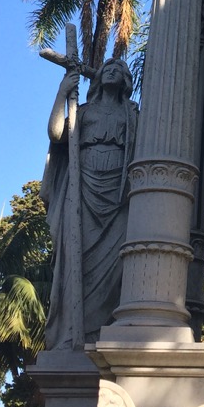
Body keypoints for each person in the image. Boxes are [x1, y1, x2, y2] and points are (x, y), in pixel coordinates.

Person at [41, 57, 138, 349]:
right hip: (82, 188)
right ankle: (70, 333)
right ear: (97, 79)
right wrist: (62, 91)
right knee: (75, 258)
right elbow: (57, 133)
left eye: (118, 69)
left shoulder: (133, 114)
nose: (111, 71)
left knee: (114, 267)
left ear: (126, 81)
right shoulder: (82, 112)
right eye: (107, 67)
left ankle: (100, 333)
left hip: (119, 196)